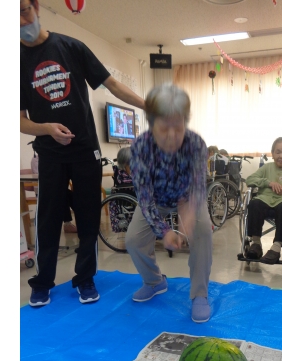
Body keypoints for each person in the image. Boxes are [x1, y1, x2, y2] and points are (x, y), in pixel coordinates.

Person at [20, 0, 145, 307]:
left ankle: (85, 278)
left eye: (23, 10)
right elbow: (19, 119)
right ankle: (42, 282)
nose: (20, 21)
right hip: (49, 152)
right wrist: (46, 128)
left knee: (88, 216)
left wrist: (148, 105)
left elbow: (112, 84)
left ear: (36, 7)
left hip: (85, 148)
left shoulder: (71, 47)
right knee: (48, 219)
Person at [126, 84, 212, 323]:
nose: (172, 136)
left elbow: (198, 187)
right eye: (164, 128)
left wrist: (188, 218)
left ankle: (200, 294)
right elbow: (144, 197)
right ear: (152, 124)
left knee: (202, 231)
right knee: (133, 239)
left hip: (188, 198)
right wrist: (164, 231)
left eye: (179, 127)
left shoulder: (196, 144)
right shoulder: (140, 147)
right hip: (156, 200)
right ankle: (154, 281)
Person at [30, 151, 77, 233]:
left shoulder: (53, 159)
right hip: (43, 189)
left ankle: (70, 223)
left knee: (66, 195)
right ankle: (68, 224)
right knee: (64, 195)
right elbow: (43, 176)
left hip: (54, 187)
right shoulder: (36, 160)